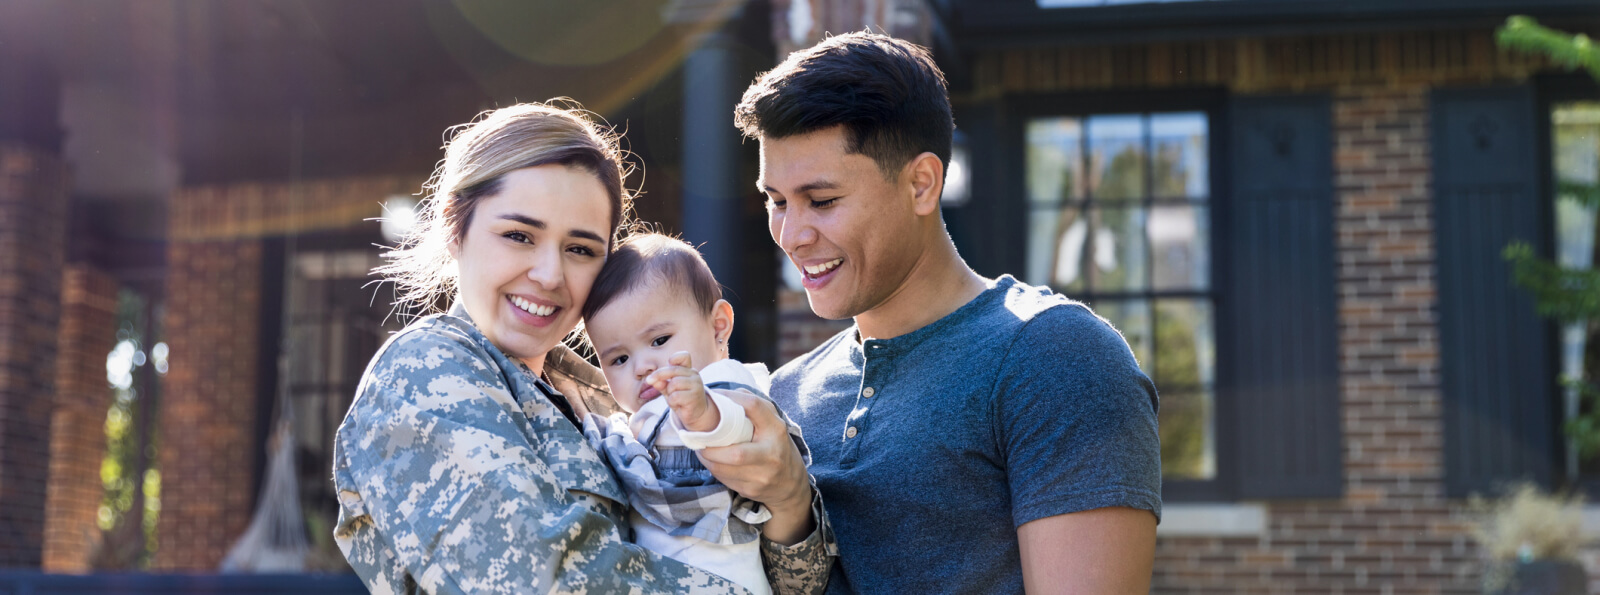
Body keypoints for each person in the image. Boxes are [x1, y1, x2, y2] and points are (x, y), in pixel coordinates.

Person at [330, 102, 832, 594]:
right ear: (454, 229)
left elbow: (798, 581)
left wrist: (789, 499)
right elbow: (544, 582)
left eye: (580, 249)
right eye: (519, 235)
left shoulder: (606, 395)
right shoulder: (425, 371)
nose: (550, 275)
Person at [734, 32, 1162, 593]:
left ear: (921, 183)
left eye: (822, 201)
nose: (791, 235)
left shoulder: (1055, 358)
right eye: (777, 201)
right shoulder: (786, 395)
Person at [579, 232, 813, 595]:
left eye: (659, 341)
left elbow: (737, 427)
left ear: (718, 326)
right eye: (619, 359)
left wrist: (703, 412)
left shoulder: (720, 382)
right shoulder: (632, 422)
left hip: (726, 580)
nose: (641, 366)